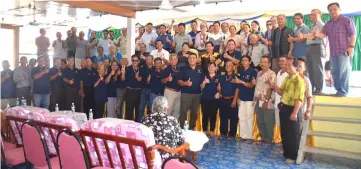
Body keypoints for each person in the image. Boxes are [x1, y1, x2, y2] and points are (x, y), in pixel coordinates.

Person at [311, 2, 356, 97]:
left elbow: (353, 34)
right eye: (330, 10)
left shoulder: (347, 20)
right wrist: (317, 34)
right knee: (335, 72)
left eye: (334, 9)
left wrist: (351, 47)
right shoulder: (329, 23)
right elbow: (323, 35)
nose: (332, 11)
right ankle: (338, 91)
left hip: (345, 51)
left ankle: (343, 92)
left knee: (344, 72)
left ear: (339, 10)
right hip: (333, 52)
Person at [272, 58, 306, 164]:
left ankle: (293, 155)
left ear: (295, 67)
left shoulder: (299, 80)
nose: (285, 67)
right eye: (285, 65)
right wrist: (275, 88)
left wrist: (295, 113)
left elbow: (299, 99)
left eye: (288, 65)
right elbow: (282, 92)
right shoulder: (287, 78)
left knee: (293, 134)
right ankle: (286, 153)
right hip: (284, 108)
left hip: (293, 109)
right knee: (285, 132)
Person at [233, 55, 257, 143]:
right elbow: (238, 86)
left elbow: (251, 85)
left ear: (250, 62)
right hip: (242, 98)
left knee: (249, 117)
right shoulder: (241, 71)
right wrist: (238, 97)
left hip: (250, 98)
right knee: (241, 117)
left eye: (246, 60)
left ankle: (249, 137)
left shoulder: (253, 71)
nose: (244, 62)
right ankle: (243, 135)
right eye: (242, 60)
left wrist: (241, 82)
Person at [254, 56, 276, 146]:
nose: (263, 63)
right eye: (262, 62)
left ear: (269, 64)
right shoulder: (259, 73)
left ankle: (269, 139)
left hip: (268, 101)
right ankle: (263, 137)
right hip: (258, 100)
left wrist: (266, 100)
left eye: (265, 62)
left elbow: (271, 88)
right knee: (260, 120)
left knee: (268, 121)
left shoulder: (272, 74)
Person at [178, 53, 203, 130]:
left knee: (194, 113)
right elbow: (179, 81)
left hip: (197, 94)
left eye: (193, 58)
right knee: (183, 112)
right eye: (190, 58)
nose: (192, 60)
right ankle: (182, 128)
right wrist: (185, 83)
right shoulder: (183, 69)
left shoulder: (200, 69)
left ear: (196, 59)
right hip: (186, 94)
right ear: (187, 60)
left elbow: (202, 81)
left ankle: (192, 128)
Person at [218, 61, 239, 139]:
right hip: (223, 99)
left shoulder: (236, 77)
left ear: (233, 67)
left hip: (232, 99)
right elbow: (219, 88)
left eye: (230, 65)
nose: (228, 66)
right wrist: (219, 91)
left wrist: (234, 100)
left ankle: (232, 134)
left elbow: (237, 89)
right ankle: (223, 133)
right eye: (226, 65)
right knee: (223, 117)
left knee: (233, 118)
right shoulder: (222, 77)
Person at [200, 63, 219, 136]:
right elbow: (201, 86)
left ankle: (212, 130)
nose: (211, 68)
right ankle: (204, 130)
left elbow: (221, 88)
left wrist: (218, 93)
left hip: (214, 100)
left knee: (213, 115)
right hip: (205, 98)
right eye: (209, 67)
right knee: (205, 115)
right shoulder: (204, 76)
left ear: (215, 68)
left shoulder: (218, 77)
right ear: (208, 68)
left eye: (212, 67)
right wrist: (204, 82)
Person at [161, 54, 181, 119]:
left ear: (177, 60)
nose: (173, 61)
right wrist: (167, 79)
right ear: (169, 60)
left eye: (175, 59)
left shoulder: (180, 69)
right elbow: (162, 81)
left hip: (179, 92)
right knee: (167, 111)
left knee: (177, 111)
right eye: (171, 59)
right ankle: (166, 126)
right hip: (169, 91)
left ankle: (174, 126)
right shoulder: (166, 69)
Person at [296, 58, 313, 131]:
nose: (297, 68)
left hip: (301, 111)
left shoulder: (306, 80)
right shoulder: (289, 78)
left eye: (300, 66)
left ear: (304, 68)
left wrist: (308, 111)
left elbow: (309, 97)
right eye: (296, 66)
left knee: (299, 131)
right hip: (289, 110)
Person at [125, 55, 143, 120]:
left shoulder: (142, 69)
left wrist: (138, 78)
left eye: (136, 60)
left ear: (138, 61)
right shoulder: (127, 68)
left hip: (139, 92)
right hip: (130, 91)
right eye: (133, 60)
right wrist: (122, 73)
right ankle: (127, 127)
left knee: (138, 110)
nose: (134, 62)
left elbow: (143, 80)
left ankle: (137, 127)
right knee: (129, 111)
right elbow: (123, 79)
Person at [274, 56, 288, 133]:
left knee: (285, 124)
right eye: (280, 61)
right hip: (277, 102)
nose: (281, 62)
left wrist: (277, 89)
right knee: (279, 124)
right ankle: (281, 141)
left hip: (284, 103)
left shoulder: (288, 74)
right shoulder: (279, 72)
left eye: (283, 61)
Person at [138, 55, 153, 122]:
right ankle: (139, 122)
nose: (147, 61)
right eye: (146, 60)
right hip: (144, 89)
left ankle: (149, 122)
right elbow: (140, 79)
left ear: (152, 60)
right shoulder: (142, 68)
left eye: (149, 59)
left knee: (150, 108)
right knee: (141, 107)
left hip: (152, 90)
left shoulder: (155, 68)